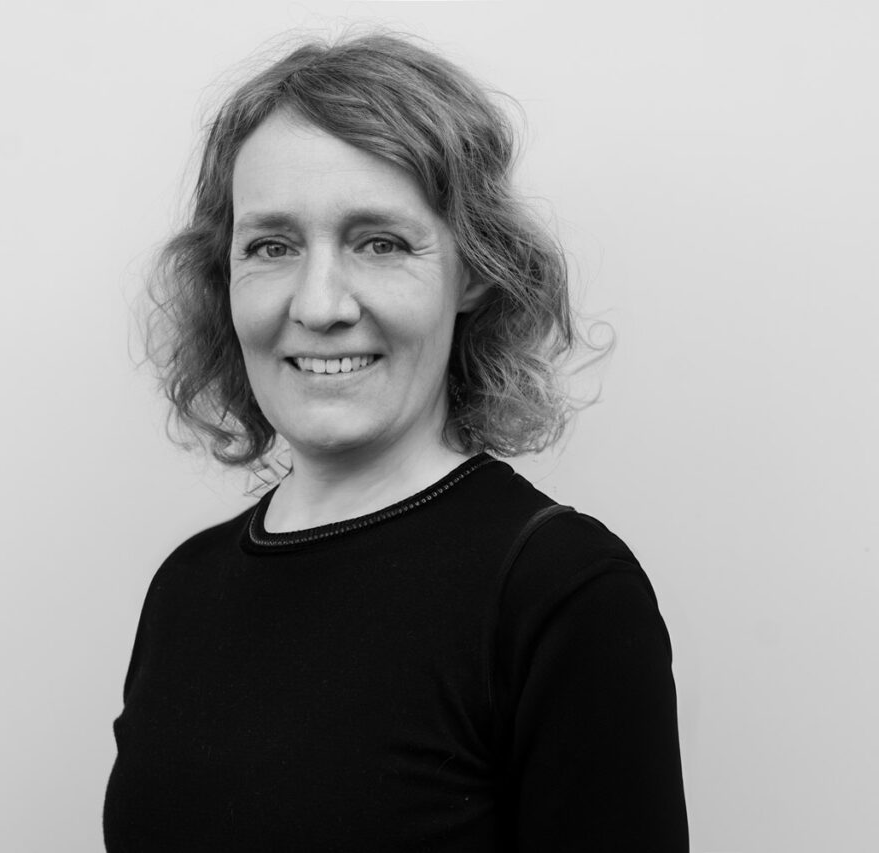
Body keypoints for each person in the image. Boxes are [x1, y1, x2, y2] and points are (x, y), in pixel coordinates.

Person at [103, 32, 688, 852]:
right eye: (272, 246)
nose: (319, 305)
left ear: (474, 269)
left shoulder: (561, 593)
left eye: (379, 243)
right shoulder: (186, 588)